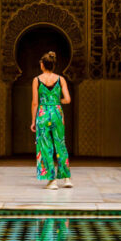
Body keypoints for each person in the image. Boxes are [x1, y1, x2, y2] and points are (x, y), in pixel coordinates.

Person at [31, 50, 73, 190]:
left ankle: (52, 181)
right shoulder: (61, 79)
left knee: (45, 146)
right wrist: (56, 101)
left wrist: (33, 121)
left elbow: (35, 103)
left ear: (42, 65)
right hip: (57, 112)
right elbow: (67, 99)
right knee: (60, 144)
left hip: (43, 114)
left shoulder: (36, 80)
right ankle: (67, 178)